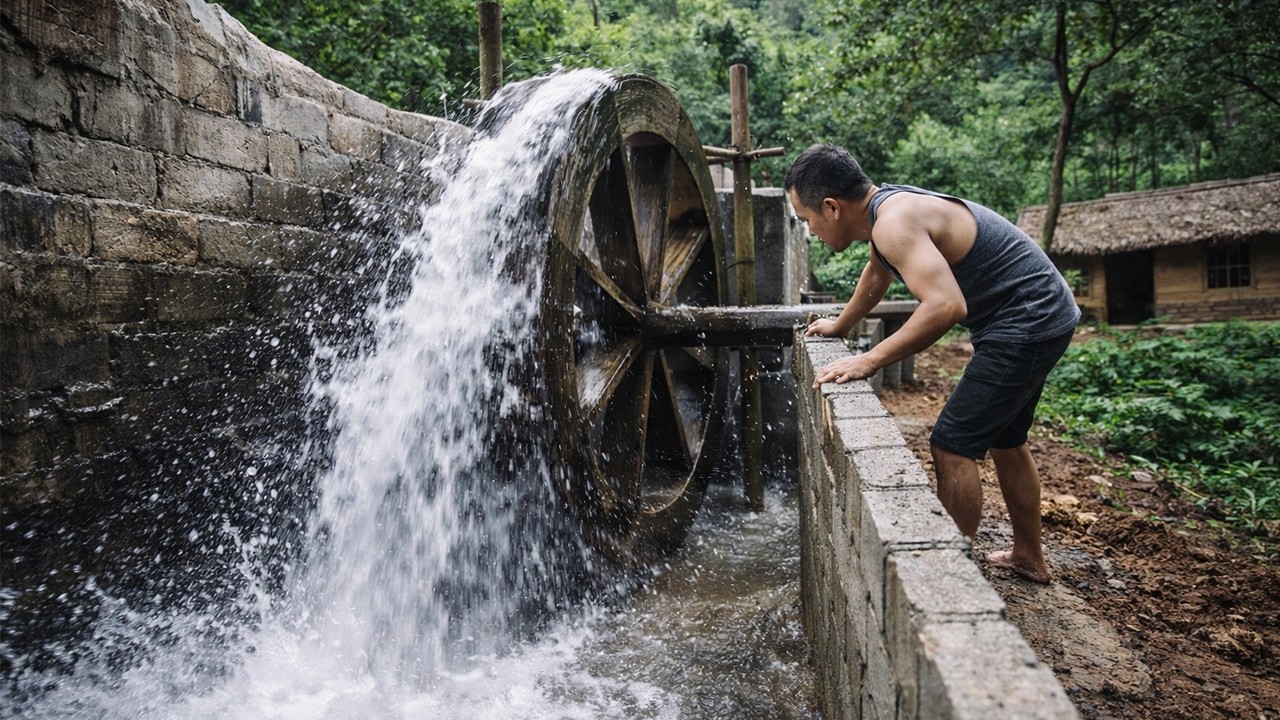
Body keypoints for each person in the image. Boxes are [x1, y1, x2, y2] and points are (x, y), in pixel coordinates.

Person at [786, 143, 1080, 584]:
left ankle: (948, 575)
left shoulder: (894, 223)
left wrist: (870, 359)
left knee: (952, 442)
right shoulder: (887, 211)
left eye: (807, 220)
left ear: (832, 208)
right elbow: (879, 271)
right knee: (1005, 438)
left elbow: (945, 305)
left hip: (1027, 319)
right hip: (1040, 312)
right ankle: (1028, 556)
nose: (810, 231)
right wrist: (843, 325)